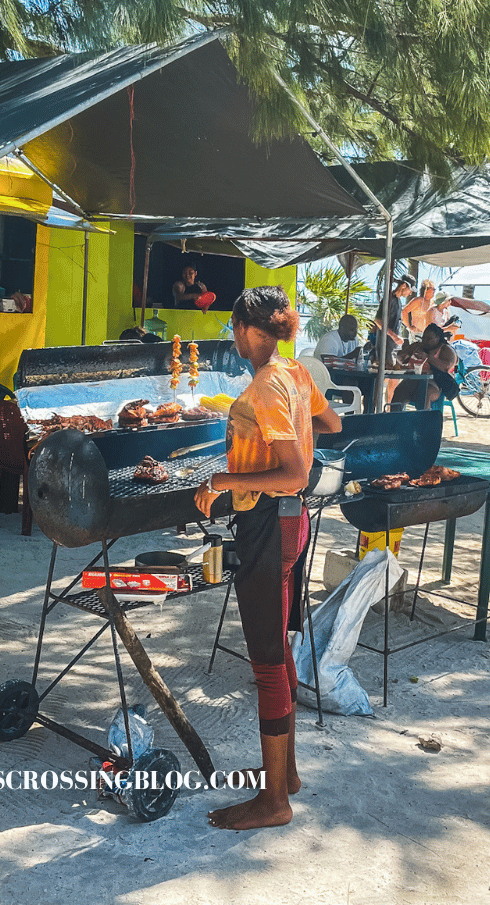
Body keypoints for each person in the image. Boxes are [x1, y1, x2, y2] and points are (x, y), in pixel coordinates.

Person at [195, 286, 341, 831]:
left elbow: (296, 473)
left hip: (267, 523)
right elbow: (333, 425)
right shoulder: (298, 375)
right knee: (277, 646)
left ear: (252, 331)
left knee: (265, 660)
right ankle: (288, 774)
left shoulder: (264, 386)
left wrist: (225, 477)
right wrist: (290, 429)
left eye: (236, 329)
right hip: (291, 525)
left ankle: (274, 801)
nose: (234, 339)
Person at [399, 323, 460, 407]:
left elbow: (446, 367)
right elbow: (401, 358)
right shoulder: (417, 346)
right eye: (423, 338)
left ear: (437, 338)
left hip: (434, 383)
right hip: (412, 380)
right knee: (399, 392)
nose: (425, 341)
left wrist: (428, 357)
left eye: (429, 338)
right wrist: (402, 356)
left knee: (424, 393)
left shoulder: (446, 349)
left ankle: (424, 418)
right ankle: (395, 418)